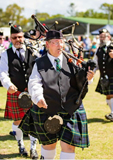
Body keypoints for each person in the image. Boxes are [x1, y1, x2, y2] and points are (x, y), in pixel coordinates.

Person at [19, 30, 95, 159]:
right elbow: (34, 83)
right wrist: (38, 98)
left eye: (61, 42)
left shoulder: (72, 60)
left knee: (69, 146)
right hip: (47, 109)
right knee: (49, 145)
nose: (60, 46)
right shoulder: (39, 63)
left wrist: (89, 78)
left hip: (70, 108)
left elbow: (81, 80)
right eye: (55, 43)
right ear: (47, 45)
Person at [0, 25, 39, 159]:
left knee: (34, 120)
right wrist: (8, 85)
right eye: (15, 38)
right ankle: (21, 144)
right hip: (16, 92)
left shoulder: (33, 52)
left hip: (32, 91)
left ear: (23, 37)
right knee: (18, 120)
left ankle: (33, 148)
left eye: (20, 37)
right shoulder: (6, 54)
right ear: (10, 38)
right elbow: (2, 72)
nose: (18, 40)